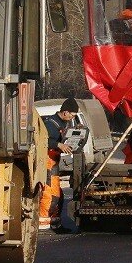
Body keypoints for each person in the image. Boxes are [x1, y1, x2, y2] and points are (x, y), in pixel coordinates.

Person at [39, 97, 79, 230]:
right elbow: (42, 141)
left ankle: (55, 222)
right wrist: (58, 145)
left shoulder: (62, 124)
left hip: (53, 162)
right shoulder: (50, 124)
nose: (72, 118)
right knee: (50, 195)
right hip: (48, 162)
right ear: (65, 112)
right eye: (72, 115)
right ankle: (44, 223)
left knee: (58, 195)